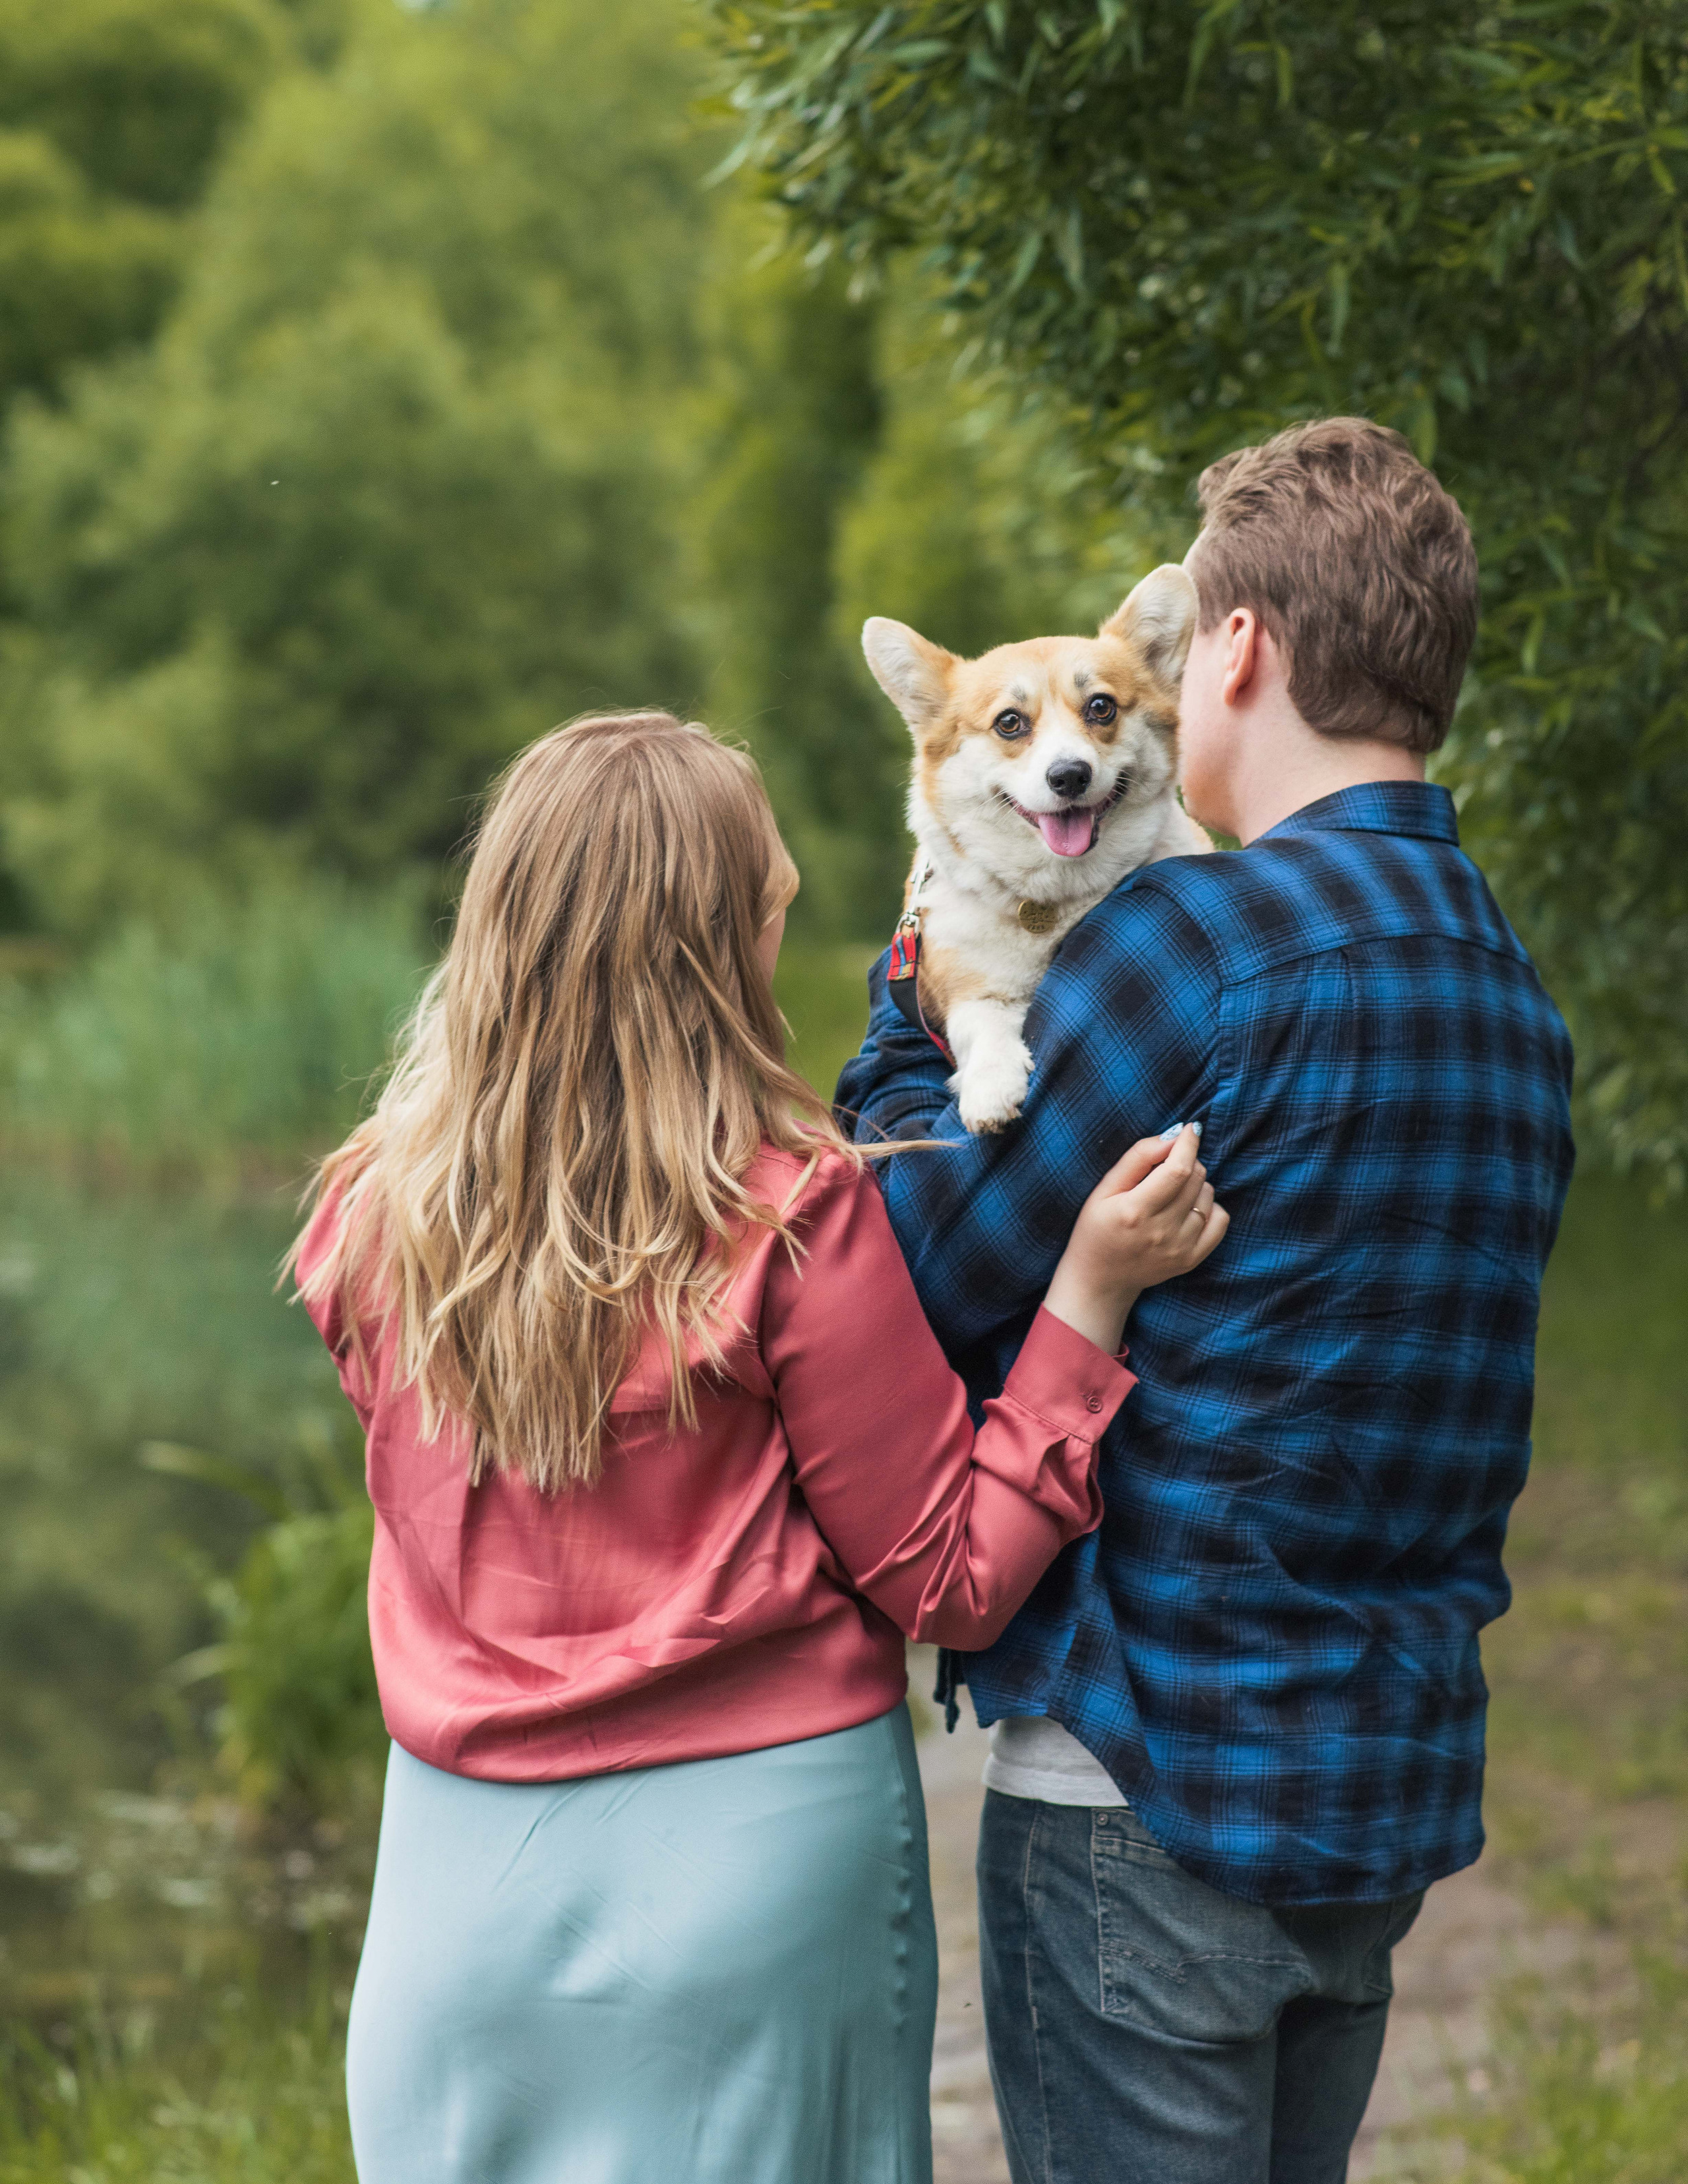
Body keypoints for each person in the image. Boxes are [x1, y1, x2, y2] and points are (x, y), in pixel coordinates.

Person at [288, 711, 1228, 2184]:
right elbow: (951, 1580)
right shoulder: (789, 1218)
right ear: (712, 951)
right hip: (756, 1863)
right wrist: (1088, 1295)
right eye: (769, 905)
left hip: (455, 1894)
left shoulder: (367, 1219)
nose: (780, 931)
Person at [837, 418, 1576, 2184]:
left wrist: (907, 997)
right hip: (1375, 1788)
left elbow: (916, 1271)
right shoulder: (1507, 988)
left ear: (1231, 648)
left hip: (1147, 1787)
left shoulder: (1195, 944)